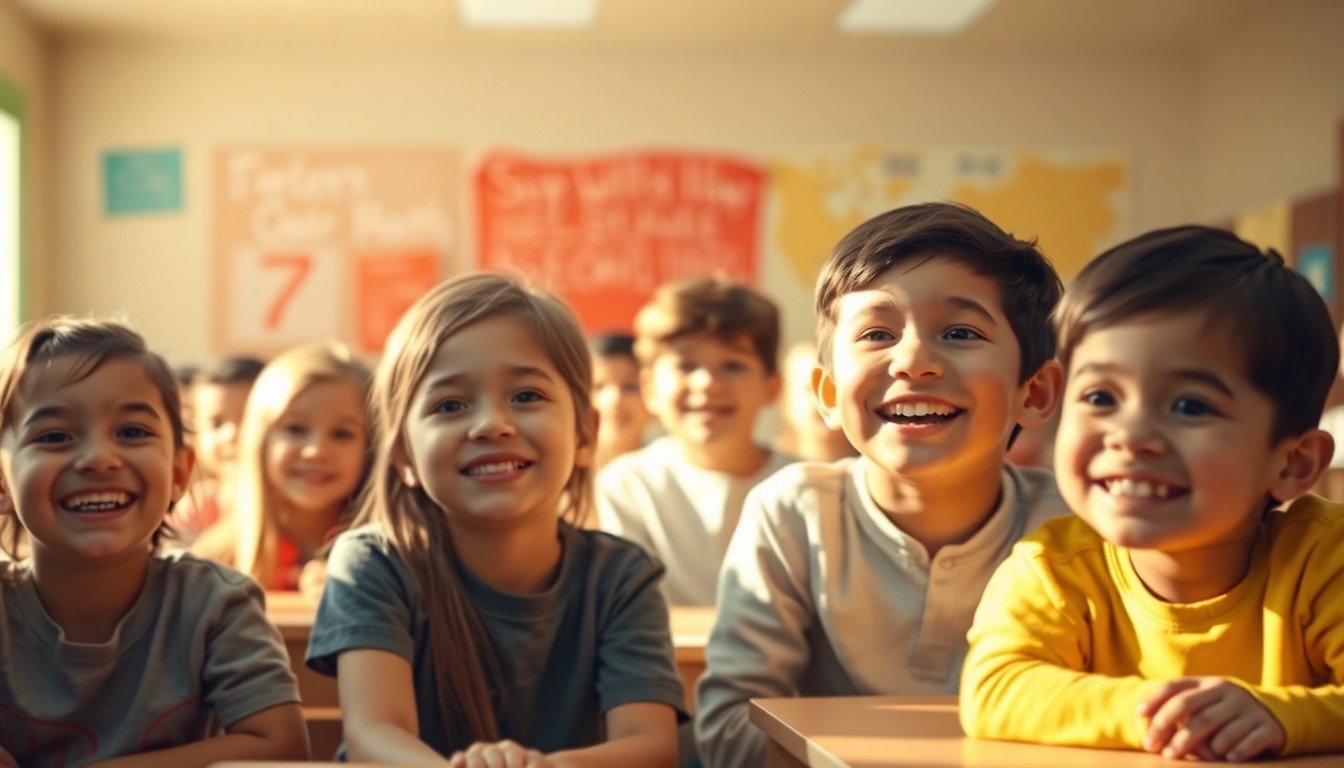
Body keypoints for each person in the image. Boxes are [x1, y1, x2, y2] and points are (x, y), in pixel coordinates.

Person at [696, 202, 1068, 767]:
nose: (914, 360)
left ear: (1035, 393)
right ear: (826, 394)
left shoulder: (1072, 530)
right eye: (876, 333)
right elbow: (727, 730)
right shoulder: (793, 513)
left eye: (961, 331)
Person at [960, 226, 1344, 761]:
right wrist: (1164, 714)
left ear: (1293, 463)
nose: (1132, 435)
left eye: (1190, 406)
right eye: (1100, 396)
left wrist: (1283, 715)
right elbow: (994, 690)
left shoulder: (1325, 559)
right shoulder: (1052, 569)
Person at [305, 273, 684, 766]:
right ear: (403, 455)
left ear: (586, 434)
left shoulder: (621, 578)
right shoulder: (374, 565)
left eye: (526, 396)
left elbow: (650, 747)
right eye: (450, 405)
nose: (491, 424)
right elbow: (374, 734)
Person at [0, 317, 307, 766]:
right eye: (54, 436)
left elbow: (279, 747)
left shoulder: (214, 603)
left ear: (180, 472)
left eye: (132, 432)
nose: (99, 458)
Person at [597, 276, 793, 606]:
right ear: (650, 388)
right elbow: (630, 613)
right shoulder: (628, 486)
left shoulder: (804, 488)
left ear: (771, 386)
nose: (707, 383)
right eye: (686, 365)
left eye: (733, 365)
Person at [192, 343, 369, 594]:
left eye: (342, 434)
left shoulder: (392, 560)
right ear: (260, 440)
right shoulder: (209, 563)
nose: (316, 450)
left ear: (371, 445)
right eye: (295, 429)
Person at [171, 355, 265, 543]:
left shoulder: (296, 506)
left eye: (248, 418)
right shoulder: (196, 506)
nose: (231, 434)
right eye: (216, 423)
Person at [774, 339, 857, 462]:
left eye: (833, 387)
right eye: (808, 389)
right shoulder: (775, 474)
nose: (820, 399)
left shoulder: (876, 470)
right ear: (786, 401)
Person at [589, 332, 653, 471]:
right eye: (598, 387)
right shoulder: (559, 475)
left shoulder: (667, 472)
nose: (614, 400)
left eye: (630, 387)